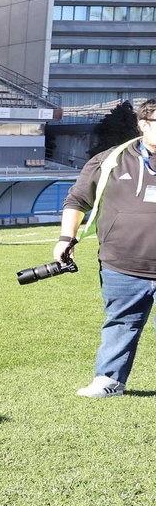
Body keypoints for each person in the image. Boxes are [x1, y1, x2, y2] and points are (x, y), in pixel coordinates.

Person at [57, 99, 156, 398]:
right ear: (143, 124)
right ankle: (109, 381)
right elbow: (77, 200)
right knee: (121, 323)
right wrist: (66, 238)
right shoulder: (111, 159)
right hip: (122, 265)